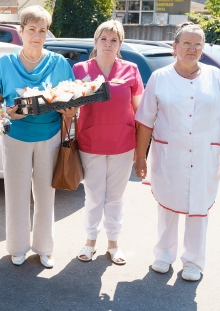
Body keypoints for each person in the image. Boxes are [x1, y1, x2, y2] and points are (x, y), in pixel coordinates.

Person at [134, 22, 220, 282]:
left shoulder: (216, 77)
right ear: (175, 47)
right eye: (187, 43)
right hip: (169, 153)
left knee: (198, 207)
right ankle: (163, 255)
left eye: (197, 44)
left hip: (205, 153)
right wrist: (139, 156)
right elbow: (145, 121)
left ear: (202, 49)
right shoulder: (160, 78)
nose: (192, 48)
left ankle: (193, 261)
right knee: (168, 205)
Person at [0, 5, 76, 268]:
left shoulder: (59, 64)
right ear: (21, 31)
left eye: (42, 30)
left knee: (46, 194)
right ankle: (17, 247)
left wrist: (70, 111)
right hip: (15, 136)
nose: (37, 36)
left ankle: (44, 247)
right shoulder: (5, 64)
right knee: (15, 194)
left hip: (49, 135)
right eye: (31, 30)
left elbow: (72, 103)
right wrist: (5, 112)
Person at [72, 20, 143, 265]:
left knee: (115, 196)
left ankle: (113, 243)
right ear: (95, 41)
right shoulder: (80, 70)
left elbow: (140, 110)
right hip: (90, 142)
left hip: (123, 143)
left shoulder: (131, 69)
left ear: (120, 44)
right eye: (104, 39)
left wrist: (142, 149)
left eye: (114, 40)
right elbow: (69, 105)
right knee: (93, 195)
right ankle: (90, 241)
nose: (108, 44)